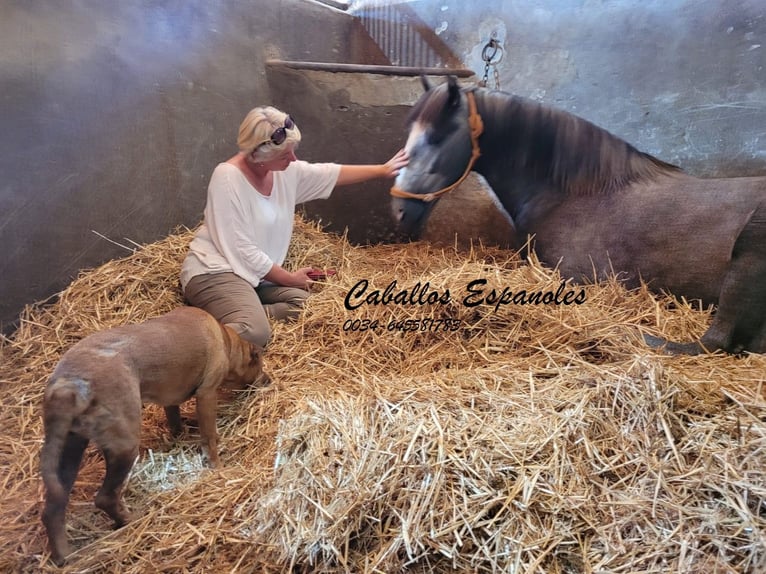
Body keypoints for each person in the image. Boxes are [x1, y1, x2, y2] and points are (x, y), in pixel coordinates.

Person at [180, 105, 408, 347]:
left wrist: (383, 170)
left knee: (313, 307)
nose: (293, 159)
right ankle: (188, 340)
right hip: (216, 271)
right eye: (285, 155)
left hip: (255, 279)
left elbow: (328, 173)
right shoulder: (227, 178)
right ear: (258, 155)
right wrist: (289, 279)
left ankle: (238, 314)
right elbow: (241, 250)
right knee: (255, 333)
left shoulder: (283, 172)